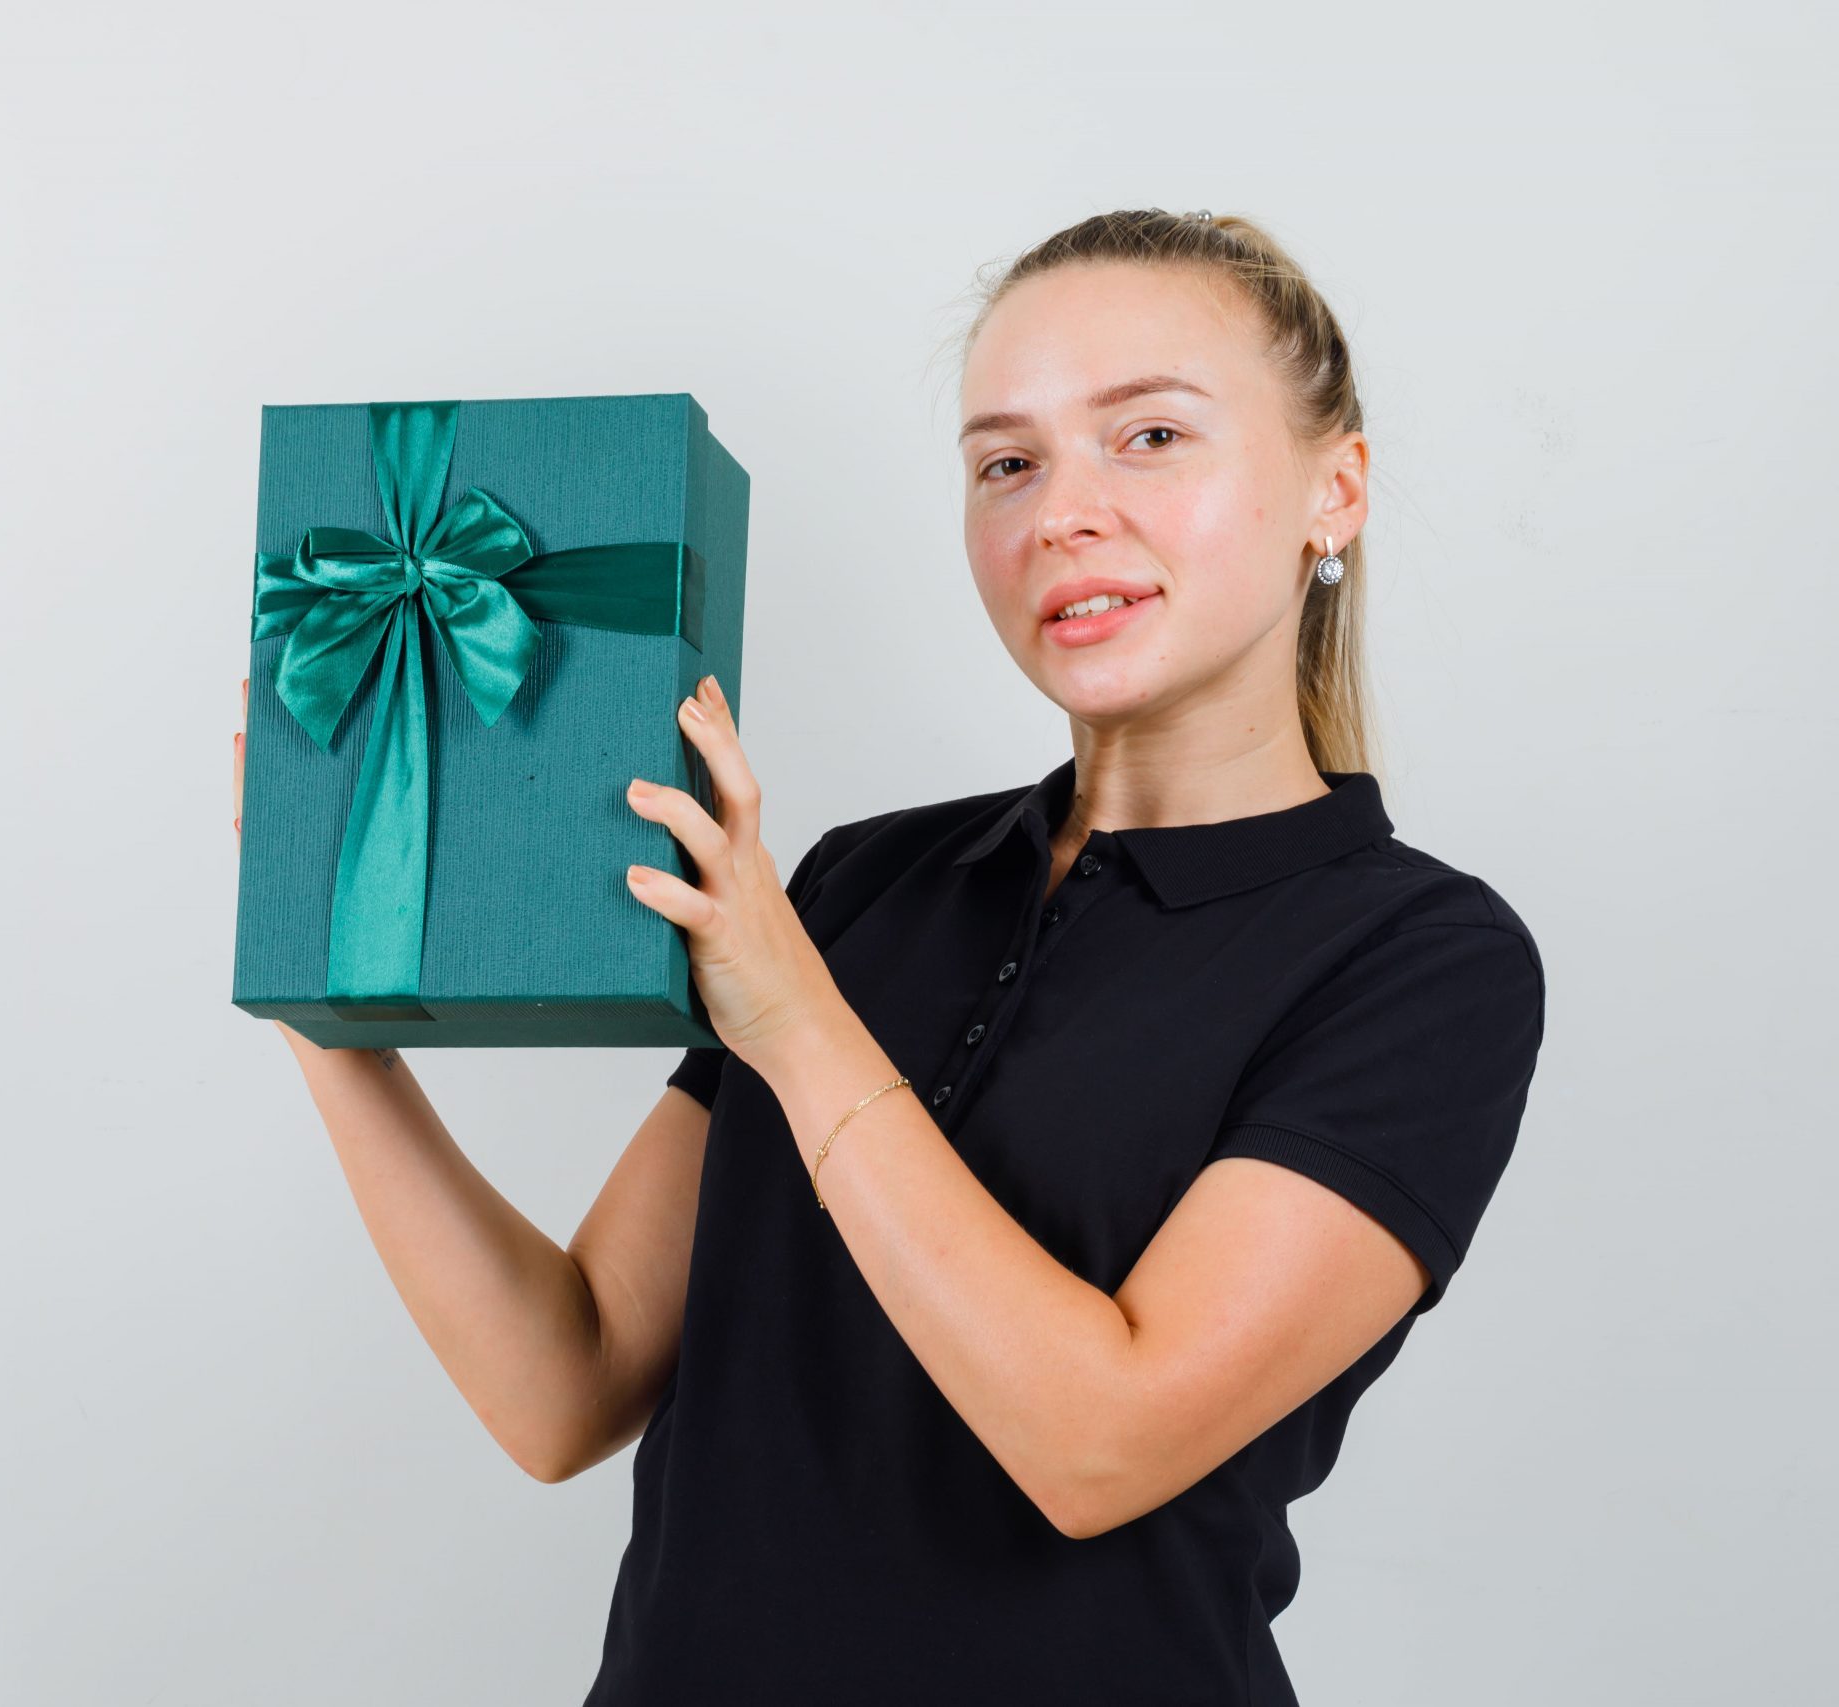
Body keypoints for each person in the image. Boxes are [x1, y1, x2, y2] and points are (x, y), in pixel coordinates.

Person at [235, 207, 1548, 1706]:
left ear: (1337, 488)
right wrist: (325, 1001)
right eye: (1009, 463)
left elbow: (1097, 1443)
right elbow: (566, 1378)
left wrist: (795, 1020)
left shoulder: (1422, 961)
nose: (1063, 512)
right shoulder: (865, 882)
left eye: (1152, 438)